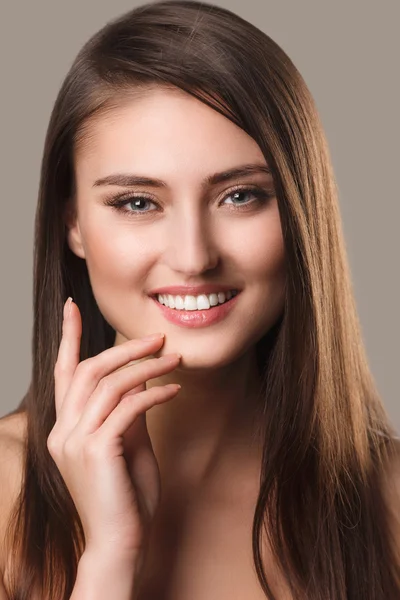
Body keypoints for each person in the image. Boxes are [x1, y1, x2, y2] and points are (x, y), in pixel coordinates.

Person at [0, 0, 399, 598]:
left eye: (240, 196)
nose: (193, 256)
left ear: (301, 210)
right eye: (138, 202)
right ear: (72, 224)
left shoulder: (389, 499)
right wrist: (110, 559)